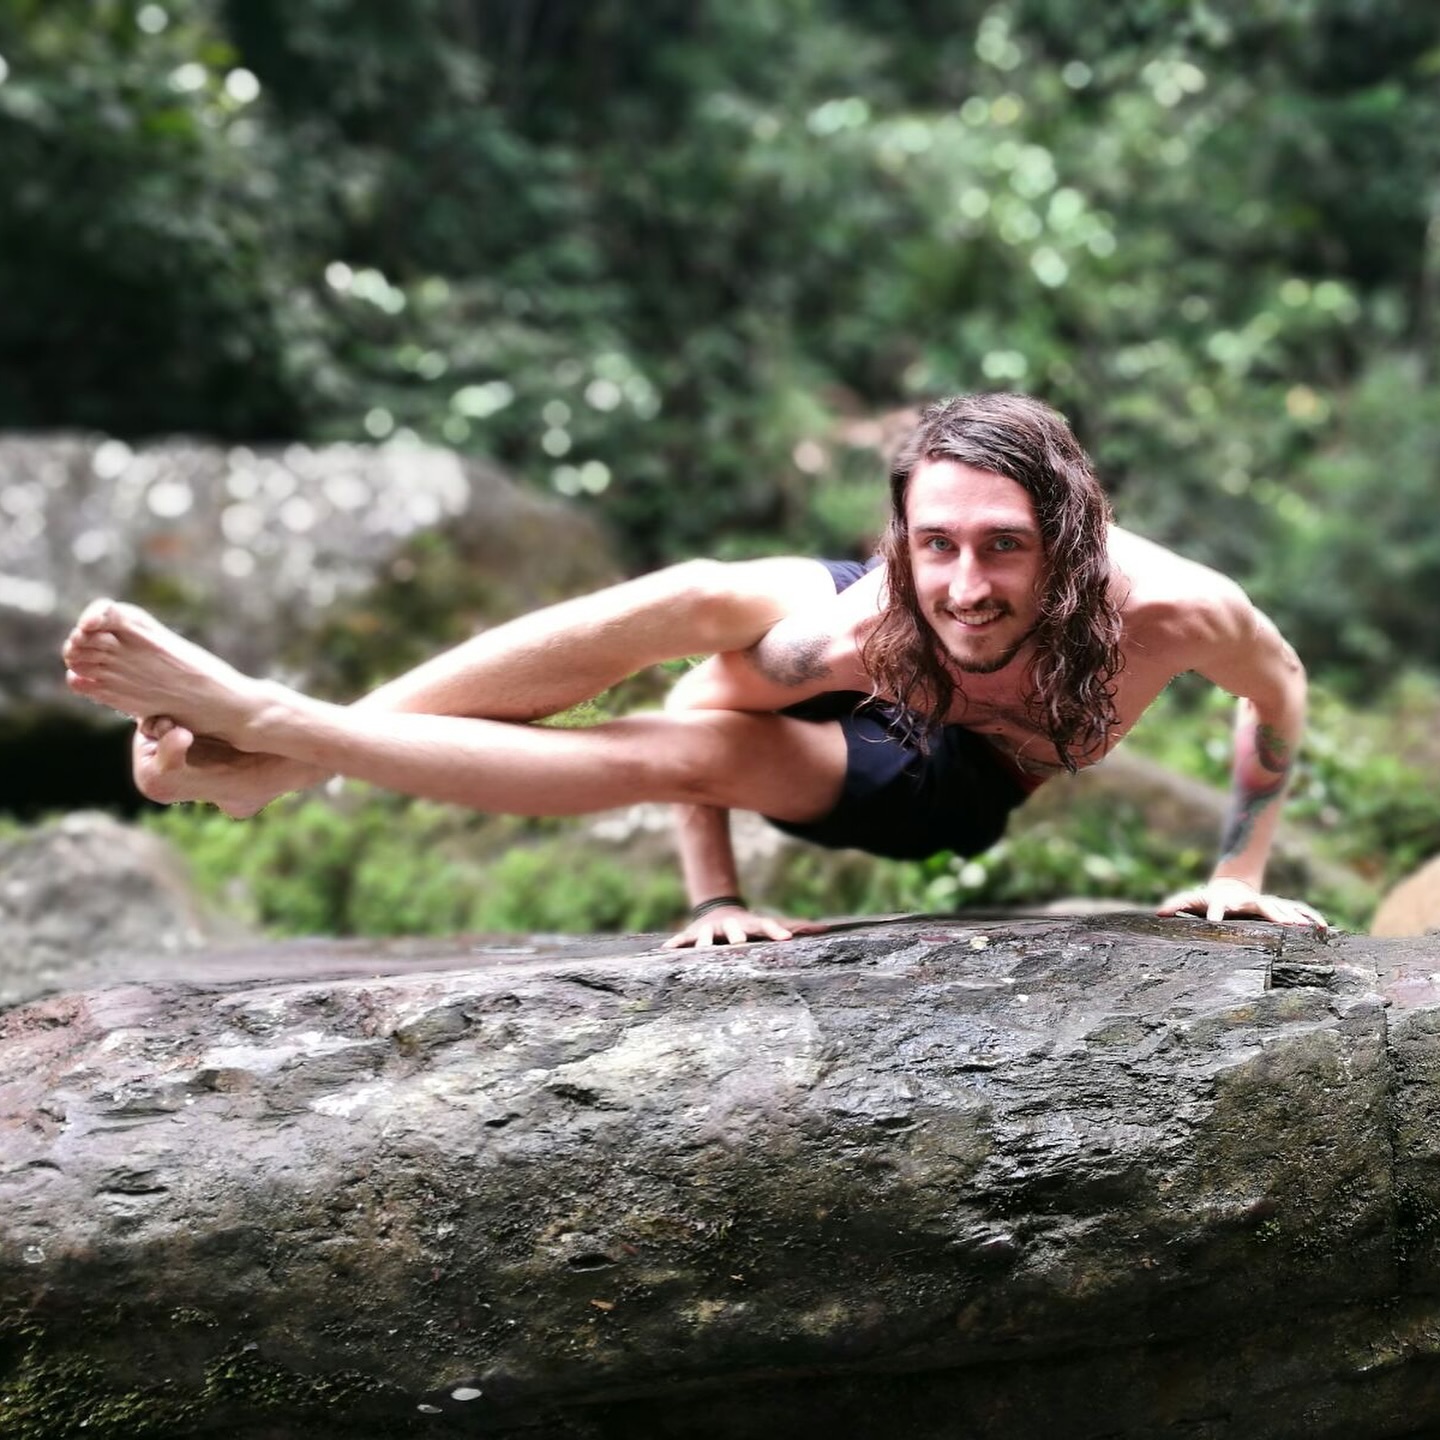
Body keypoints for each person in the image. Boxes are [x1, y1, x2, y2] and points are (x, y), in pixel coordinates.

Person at [61, 392, 1327, 945]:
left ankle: (278, 731)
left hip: (951, 768)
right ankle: (272, 760)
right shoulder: (854, 621)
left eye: (1006, 549)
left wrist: (1238, 870)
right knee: (695, 599)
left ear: (1070, 538)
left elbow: (1280, 698)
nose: (968, 585)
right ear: (900, 535)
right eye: (935, 543)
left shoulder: (1175, 613)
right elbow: (690, 673)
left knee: (697, 753)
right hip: (866, 658)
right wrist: (714, 896)